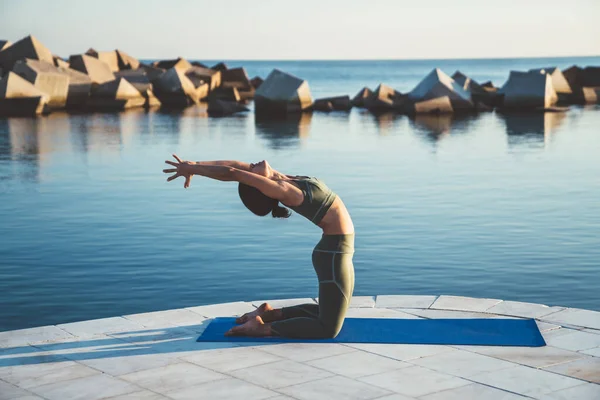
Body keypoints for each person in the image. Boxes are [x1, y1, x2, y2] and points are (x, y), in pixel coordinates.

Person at [163, 154, 355, 338]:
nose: (251, 164)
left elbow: (235, 166)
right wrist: (192, 169)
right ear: (260, 186)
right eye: (252, 169)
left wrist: (196, 163)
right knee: (327, 328)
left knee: (331, 312)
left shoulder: (286, 179)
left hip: (338, 249)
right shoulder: (286, 191)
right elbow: (231, 173)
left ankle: (270, 314)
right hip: (333, 253)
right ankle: (261, 328)